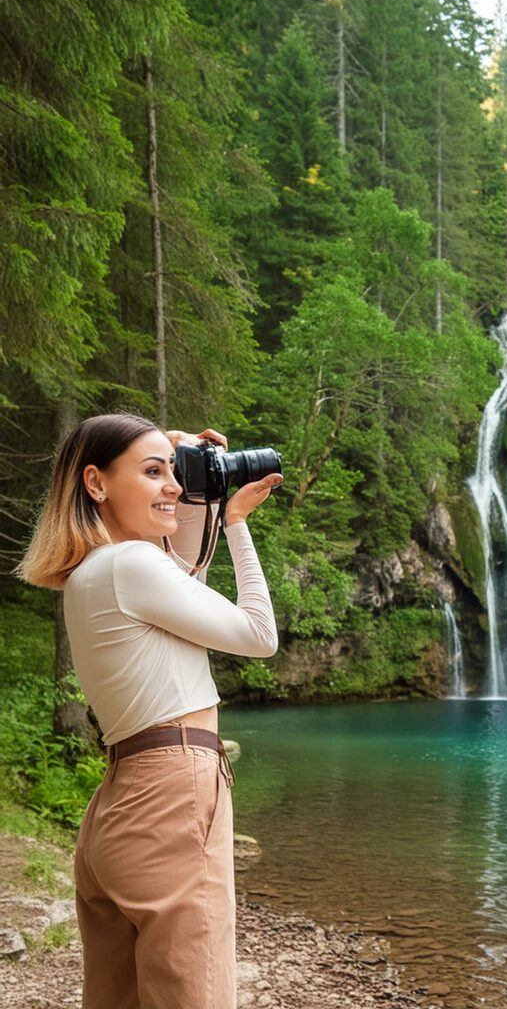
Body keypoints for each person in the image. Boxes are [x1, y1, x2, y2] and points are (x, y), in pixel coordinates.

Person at [13, 412, 284, 1009]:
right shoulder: (130, 566)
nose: (173, 486)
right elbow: (259, 634)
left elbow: (185, 574)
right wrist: (235, 522)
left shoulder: (99, 571)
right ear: (96, 483)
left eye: (174, 472)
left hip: (122, 807)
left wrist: (190, 490)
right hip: (173, 796)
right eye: (153, 471)